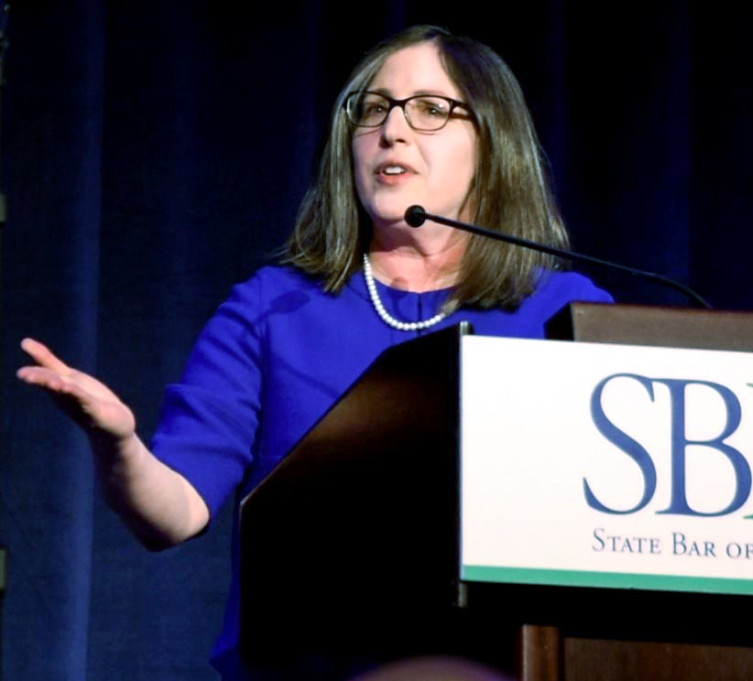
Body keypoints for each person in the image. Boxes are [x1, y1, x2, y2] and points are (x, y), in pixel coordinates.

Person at [18, 25, 610, 680]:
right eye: (373, 108)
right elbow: (175, 510)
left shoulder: (564, 313)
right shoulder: (273, 309)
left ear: (493, 142)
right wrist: (119, 445)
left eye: (429, 109)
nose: (391, 130)